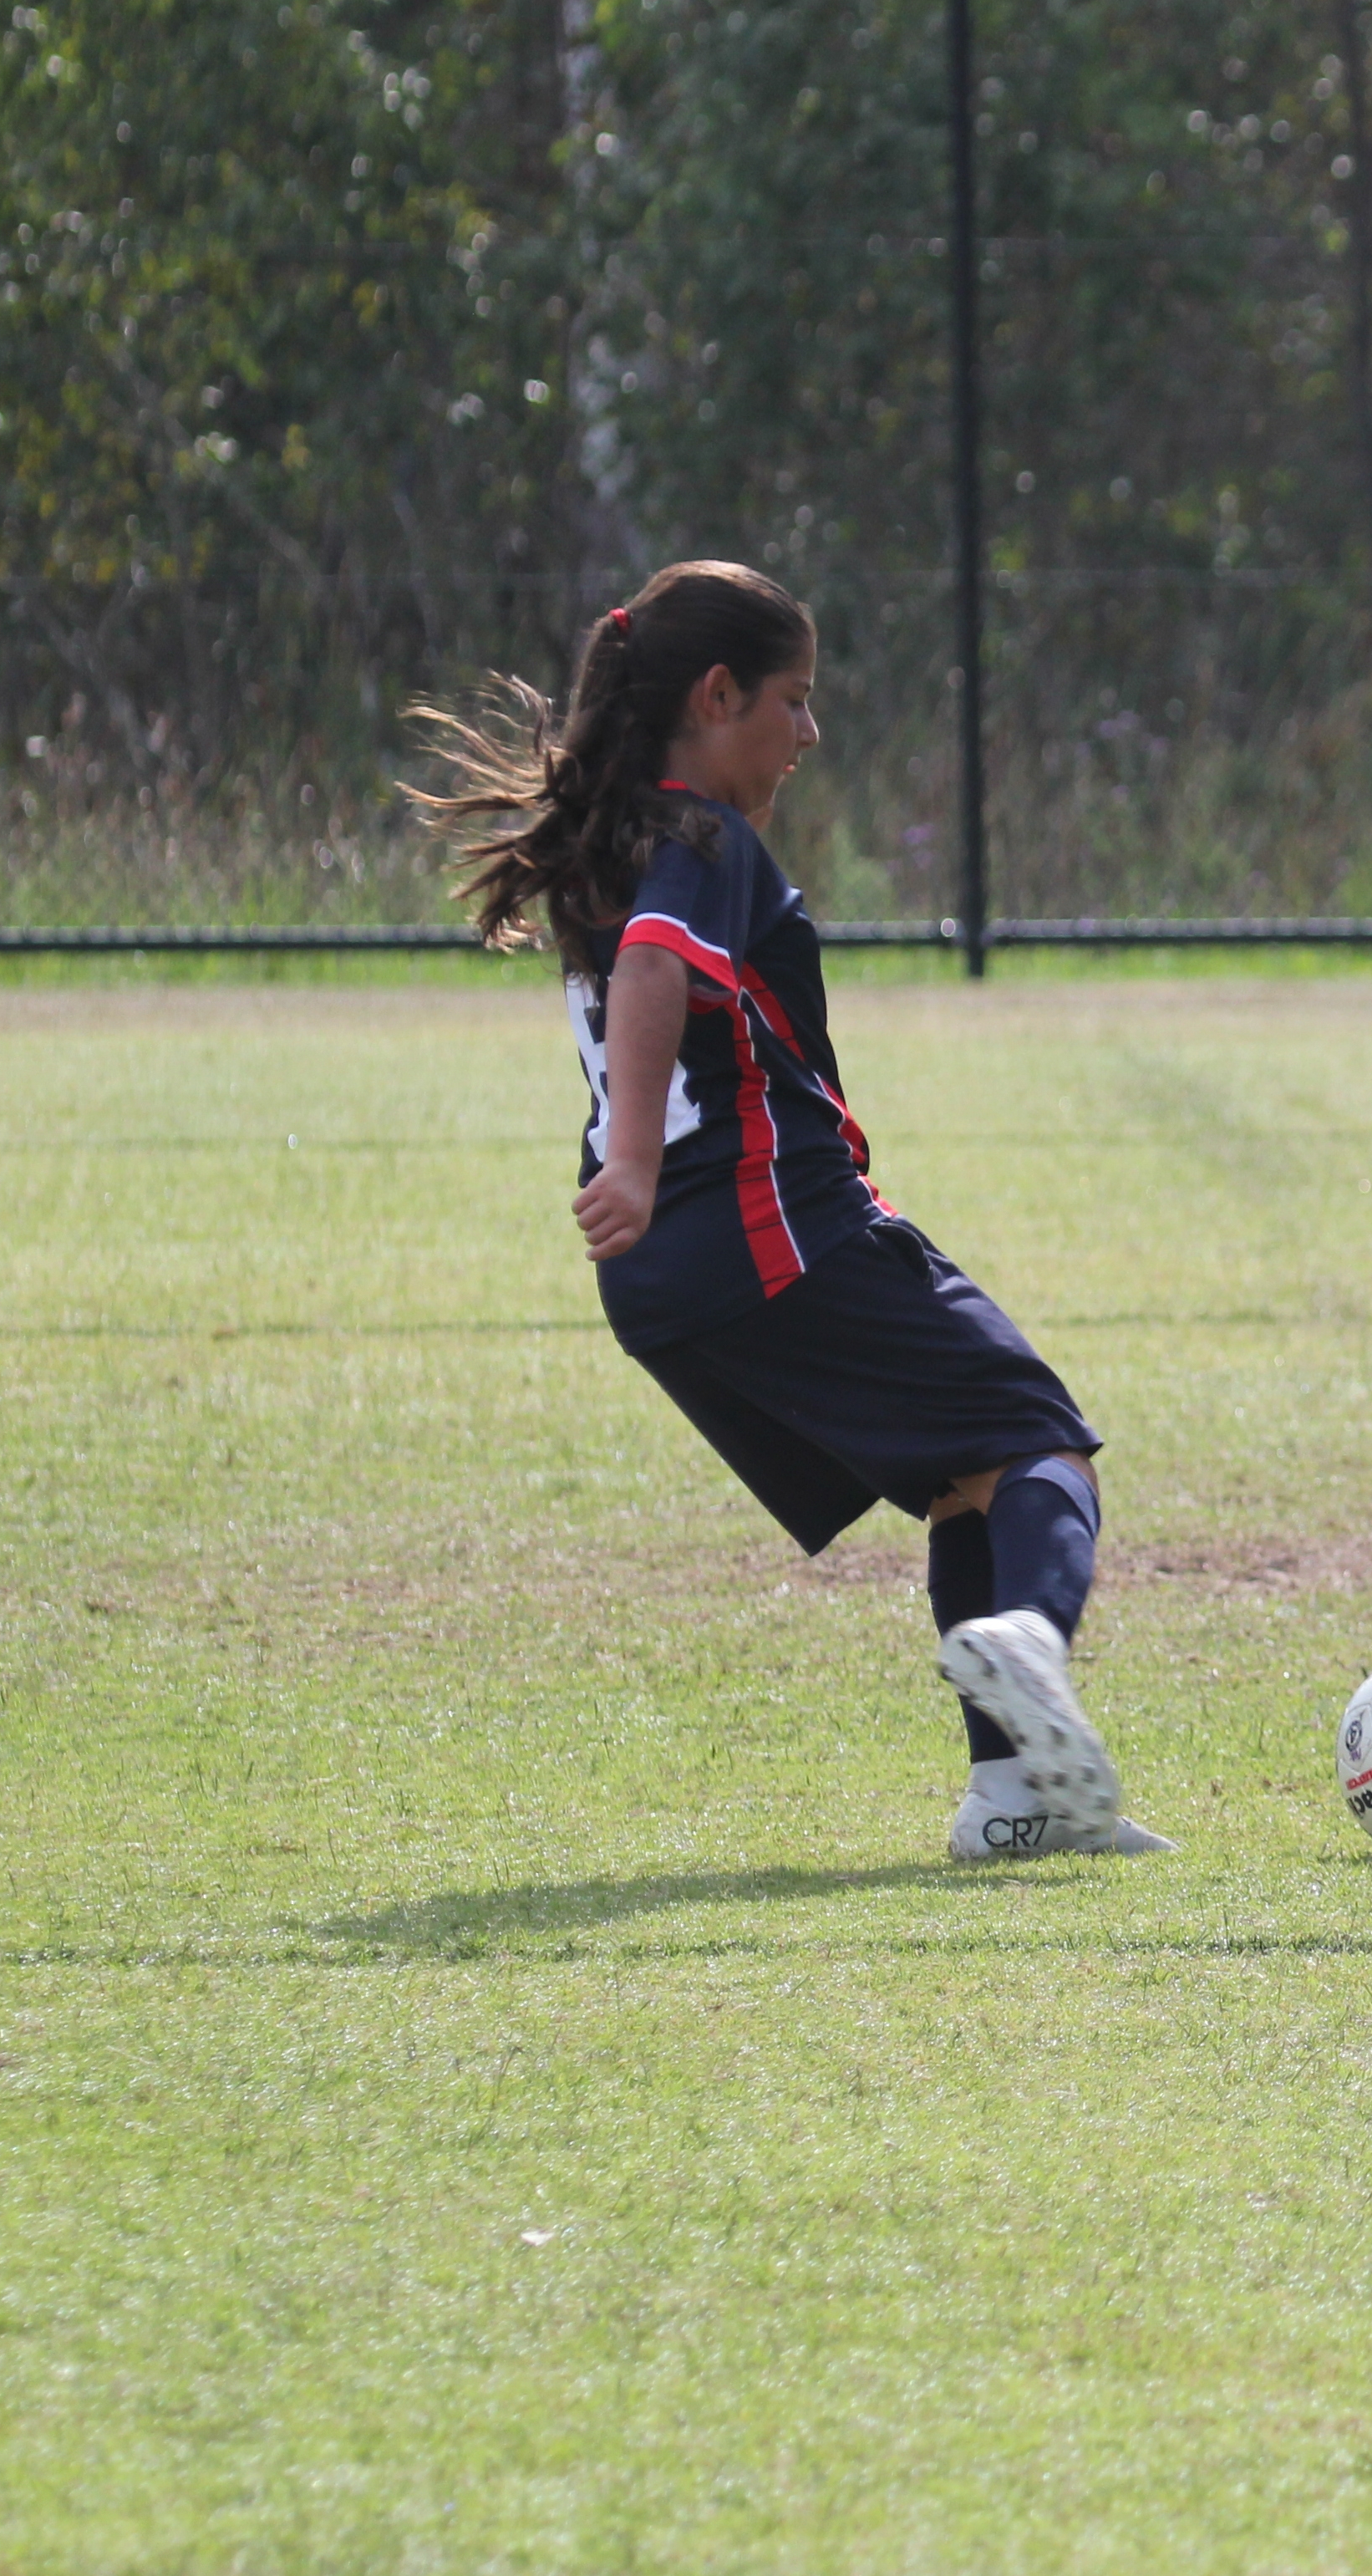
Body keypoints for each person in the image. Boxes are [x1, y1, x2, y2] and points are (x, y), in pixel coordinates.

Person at [407, 560, 1164, 1862]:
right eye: (794, 702)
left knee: (965, 1480)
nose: (810, 735)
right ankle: (1032, 1639)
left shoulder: (617, 837)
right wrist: (635, 1157)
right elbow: (659, 959)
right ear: (716, 696)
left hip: (667, 1284)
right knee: (1042, 1443)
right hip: (770, 1230)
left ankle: (1012, 1805)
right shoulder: (700, 839)